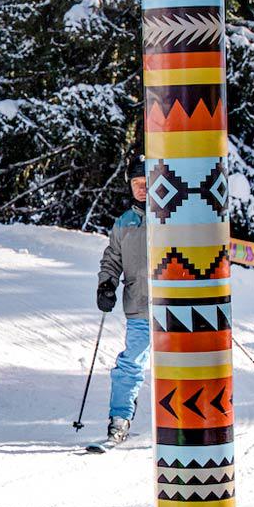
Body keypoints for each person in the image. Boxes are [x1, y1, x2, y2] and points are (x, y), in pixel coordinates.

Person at [95, 151, 150, 447]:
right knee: (131, 363)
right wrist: (107, 284)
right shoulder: (124, 223)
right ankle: (120, 419)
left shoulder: (171, 218)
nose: (141, 188)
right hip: (139, 307)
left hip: (174, 306)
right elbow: (112, 259)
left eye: (146, 181)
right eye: (136, 183)